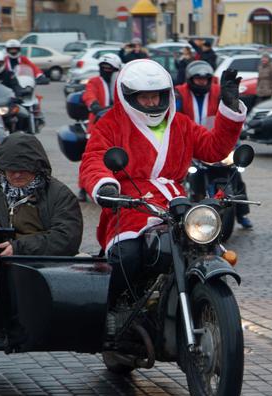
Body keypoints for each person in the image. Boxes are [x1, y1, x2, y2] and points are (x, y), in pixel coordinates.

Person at [79, 60, 245, 301]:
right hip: (129, 204)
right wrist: (105, 185)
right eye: (144, 97)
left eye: (156, 96)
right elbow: (94, 159)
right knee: (127, 256)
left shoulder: (180, 123)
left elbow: (213, 149)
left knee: (201, 247)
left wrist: (229, 108)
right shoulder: (111, 124)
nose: (152, 103)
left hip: (175, 203)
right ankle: (111, 309)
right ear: (128, 96)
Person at [0, 132, 83, 297]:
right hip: (0, 263)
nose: (17, 174)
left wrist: (18, 248)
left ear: (37, 167)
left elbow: (68, 238)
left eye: (24, 169)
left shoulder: (60, 194)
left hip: (49, 264)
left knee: (86, 268)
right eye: (11, 169)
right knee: (5, 276)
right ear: (2, 168)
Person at [175, 60, 254, 229]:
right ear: (190, 79)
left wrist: (241, 128)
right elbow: (174, 117)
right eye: (198, 79)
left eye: (205, 79)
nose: (202, 82)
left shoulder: (220, 92)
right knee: (178, 177)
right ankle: (181, 213)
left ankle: (242, 213)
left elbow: (231, 110)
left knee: (236, 176)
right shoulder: (179, 94)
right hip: (192, 144)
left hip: (217, 142)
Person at [82, 53, 122, 129]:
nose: (106, 71)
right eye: (103, 68)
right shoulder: (94, 81)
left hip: (120, 120)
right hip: (99, 121)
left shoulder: (122, 83)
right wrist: (94, 105)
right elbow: (89, 94)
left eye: (109, 68)